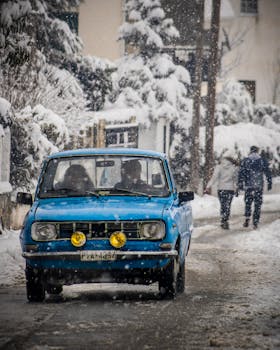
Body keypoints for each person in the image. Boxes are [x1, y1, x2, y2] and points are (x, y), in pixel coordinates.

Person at [238, 145, 272, 229]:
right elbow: (268, 172)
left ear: (250, 151)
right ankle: (255, 222)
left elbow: (241, 173)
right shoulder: (262, 161)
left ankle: (247, 218)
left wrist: (240, 183)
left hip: (249, 186)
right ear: (257, 151)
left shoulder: (245, 161)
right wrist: (269, 182)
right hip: (258, 185)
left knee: (248, 202)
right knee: (258, 203)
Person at [205, 152, 239, 229]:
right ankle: (225, 220)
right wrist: (236, 188)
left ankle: (223, 220)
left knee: (223, 205)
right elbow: (235, 179)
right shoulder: (233, 167)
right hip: (230, 189)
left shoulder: (219, 167)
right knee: (228, 205)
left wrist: (208, 186)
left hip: (221, 189)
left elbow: (214, 178)